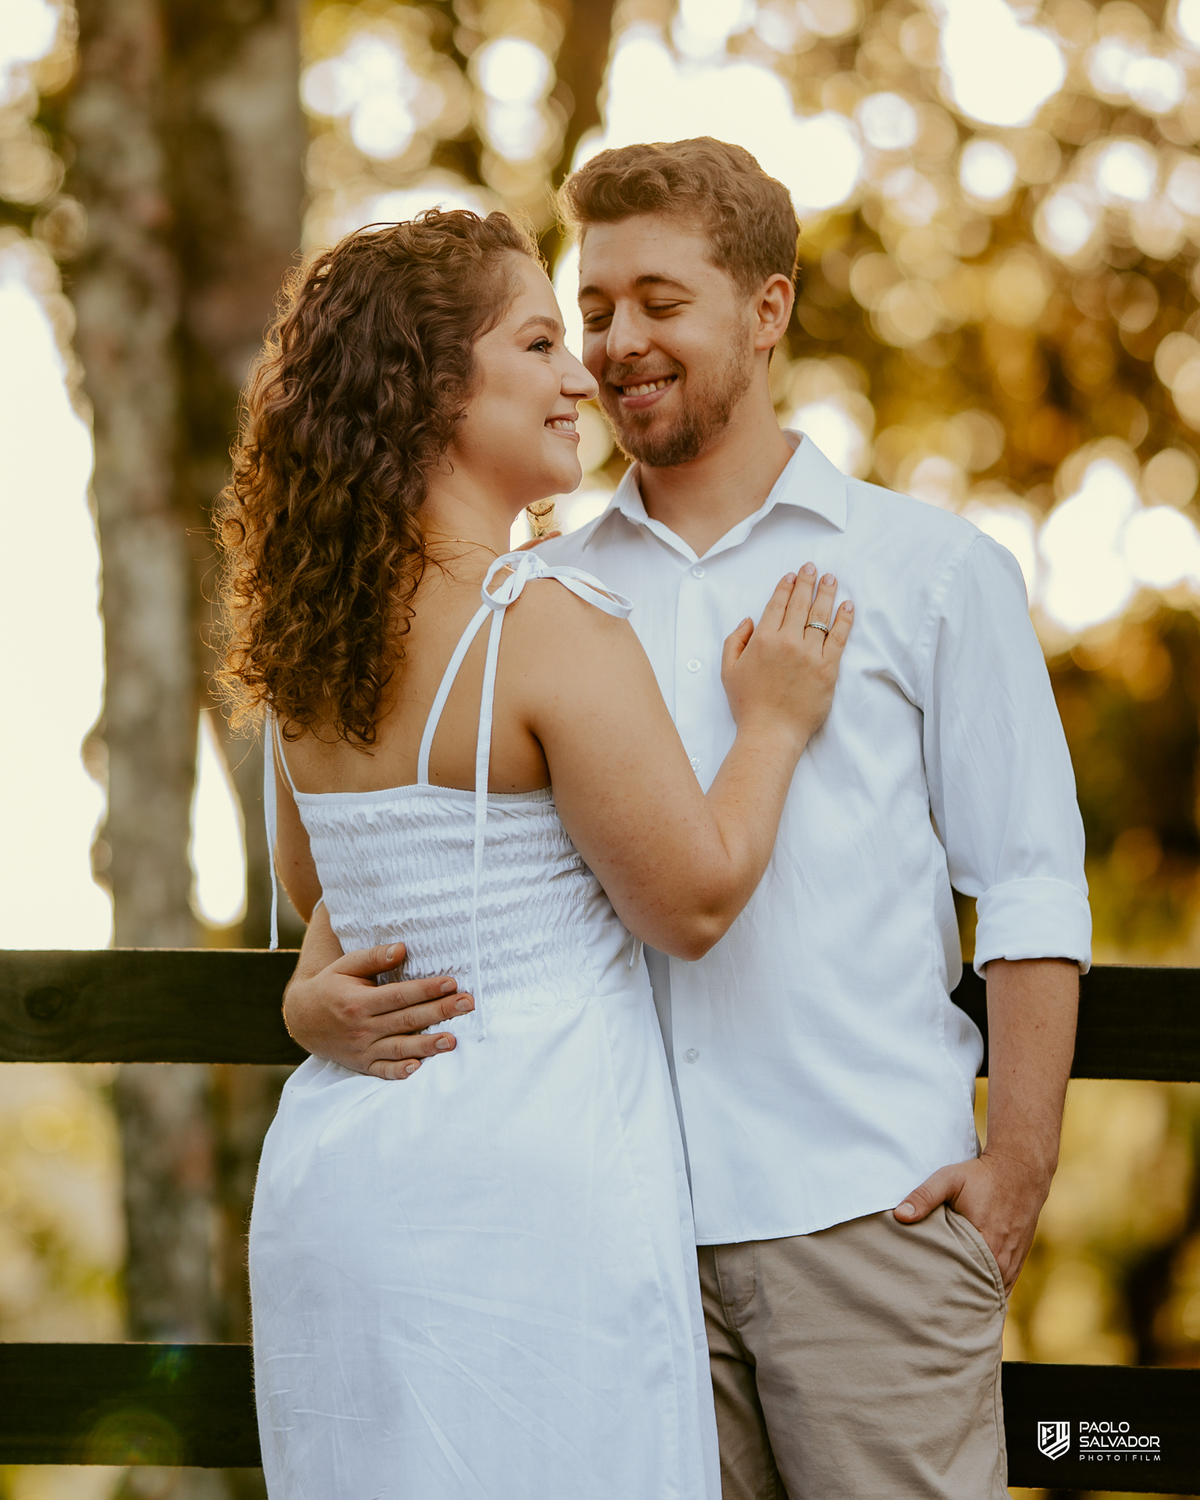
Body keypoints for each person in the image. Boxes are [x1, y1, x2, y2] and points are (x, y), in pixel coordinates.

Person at [284, 140, 1091, 1500]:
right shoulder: (543, 595)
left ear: (767, 311)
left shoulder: (930, 571)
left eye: (658, 301)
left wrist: (1012, 1174)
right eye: (591, 309)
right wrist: (311, 995)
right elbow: (425, 864)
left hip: (868, 1224)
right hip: (617, 1244)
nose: (615, 344)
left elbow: (1027, 886)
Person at [217, 206, 853, 1499]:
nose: (583, 377)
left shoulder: (306, 653)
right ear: (433, 386)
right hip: (531, 1198)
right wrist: (777, 722)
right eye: (542, 341)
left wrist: (303, 997)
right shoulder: (545, 622)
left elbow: (331, 903)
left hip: (344, 1184)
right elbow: (694, 898)